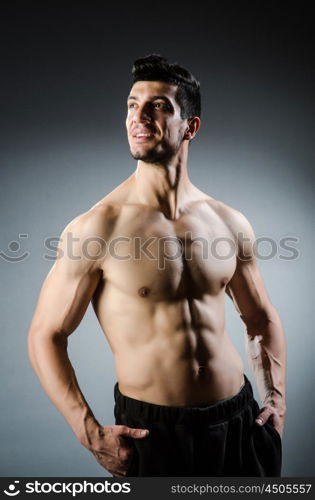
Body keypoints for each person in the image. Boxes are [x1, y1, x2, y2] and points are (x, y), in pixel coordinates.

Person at [27, 54, 286, 477]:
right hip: (155, 433)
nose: (139, 116)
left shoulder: (227, 221)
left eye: (159, 106)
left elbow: (260, 319)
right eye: (132, 104)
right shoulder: (98, 227)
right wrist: (90, 433)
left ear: (191, 127)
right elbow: (45, 335)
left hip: (240, 422)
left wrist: (276, 400)